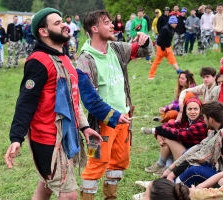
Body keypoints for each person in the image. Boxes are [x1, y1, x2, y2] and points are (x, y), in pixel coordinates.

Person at [4, 8, 102, 200]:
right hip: (49, 139)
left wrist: (85, 127)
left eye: (62, 21)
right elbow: (25, 101)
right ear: (43, 31)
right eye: (56, 23)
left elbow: (72, 99)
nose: (64, 24)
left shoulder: (64, 58)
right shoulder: (38, 61)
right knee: (70, 195)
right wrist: (16, 137)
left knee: (46, 186)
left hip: (68, 136)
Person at [76, 10, 152, 199]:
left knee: (119, 161)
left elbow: (143, 51)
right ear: (94, 28)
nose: (113, 26)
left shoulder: (116, 48)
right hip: (102, 123)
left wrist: (145, 39)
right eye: (107, 23)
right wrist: (115, 116)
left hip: (124, 119)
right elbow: (90, 101)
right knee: (97, 164)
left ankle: (111, 196)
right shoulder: (85, 61)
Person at [162, 101, 223, 187]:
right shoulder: (221, 125)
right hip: (221, 167)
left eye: (204, 118)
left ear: (211, 120)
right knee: (187, 153)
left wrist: (171, 174)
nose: (203, 121)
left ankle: (171, 189)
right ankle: (169, 183)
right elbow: (199, 147)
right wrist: (170, 169)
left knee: (194, 171)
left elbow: (197, 157)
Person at [142, 97, 208, 177]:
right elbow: (168, 125)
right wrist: (158, 134)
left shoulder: (201, 124)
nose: (192, 112)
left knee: (169, 137)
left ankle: (162, 165)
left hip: (194, 159)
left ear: (200, 110)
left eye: (195, 109)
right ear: (185, 111)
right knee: (167, 133)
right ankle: (164, 166)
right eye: (189, 109)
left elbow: (179, 134)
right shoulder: (186, 121)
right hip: (186, 153)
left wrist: (159, 131)